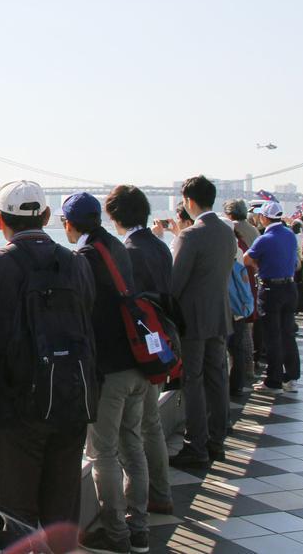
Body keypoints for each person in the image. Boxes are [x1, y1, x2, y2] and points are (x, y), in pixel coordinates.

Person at [0, 180, 97, 541]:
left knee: (13, 519)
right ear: (48, 216)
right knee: (63, 512)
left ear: (0, 221)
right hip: (72, 401)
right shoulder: (77, 264)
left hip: (15, 413)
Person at [61, 192, 150, 554]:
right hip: (137, 363)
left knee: (103, 453)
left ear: (69, 222)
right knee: (133, 444)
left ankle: (116, 535)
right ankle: (139, 529)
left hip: (109, 370)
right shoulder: (116, 245)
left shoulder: (82, 258)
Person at [107, 185, 176, 518]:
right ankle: (160, 493)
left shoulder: (127, 252)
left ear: (114, 215)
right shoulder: (160, 246)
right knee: (152, 426)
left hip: (138, 349)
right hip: (161, 342)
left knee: (136, 429)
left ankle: (145, 501)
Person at [167, 176, 238, 468]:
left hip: (193, 320)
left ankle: (195, 445)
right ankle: (216, 441)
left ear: (190, 201)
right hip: (219, 315)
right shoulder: (226, 232)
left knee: (193, 382)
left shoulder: (190, 236)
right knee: (218, 378)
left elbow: (174, 283)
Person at [246, 201, 301, 395]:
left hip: (271, 290)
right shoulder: (290, 235)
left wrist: (258, 267)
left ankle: (273, 380)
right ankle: (292, 377)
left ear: (264, 217)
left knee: (272, 335)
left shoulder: (265, 238)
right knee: (288, 333)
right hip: (290, 287)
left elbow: (246, 258)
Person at [224, 199, 259, 394]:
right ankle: (248, 371)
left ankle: (240, 377)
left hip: (234, 296)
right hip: (248, 286)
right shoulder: (252, 230)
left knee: (236, 341)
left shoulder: (232, 241)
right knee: (244, 335)